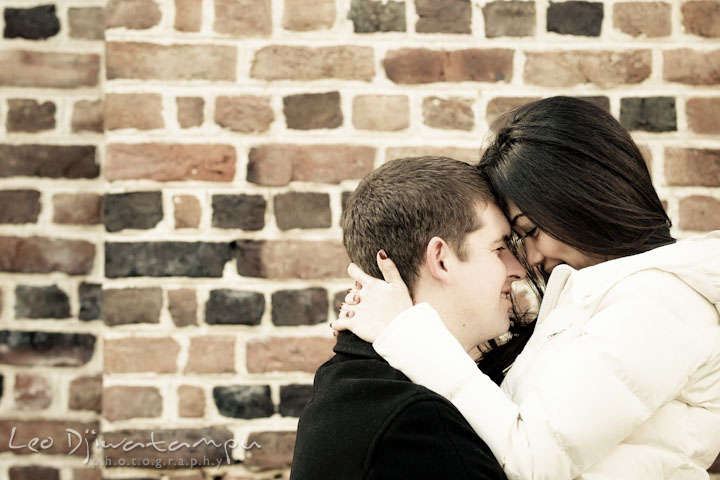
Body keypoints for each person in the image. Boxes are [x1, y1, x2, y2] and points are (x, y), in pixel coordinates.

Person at [334, 96, 720, 480]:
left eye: (529, 231)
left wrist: (407, 330)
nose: (529, 258)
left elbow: (535, 459)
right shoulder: (604, 293)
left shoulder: (658, 303)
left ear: (580, 200)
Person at [290, 156, 527, 480]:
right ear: (441, 260)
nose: (518, 268)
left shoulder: (354, 383)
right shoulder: (415, 423)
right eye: (499, 247)